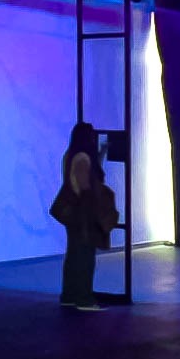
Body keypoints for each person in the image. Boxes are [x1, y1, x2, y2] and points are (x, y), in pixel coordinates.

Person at [57, 123, 113, 312]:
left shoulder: (69, 155)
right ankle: (84, 298)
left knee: (74, 254)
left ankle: (69, 295)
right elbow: (85, 187)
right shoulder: (83, 158)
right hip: (83, 213)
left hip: (72, 212)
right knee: (85, 256)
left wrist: (101, 154)